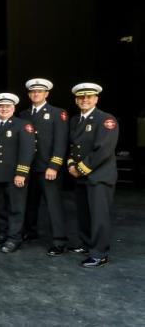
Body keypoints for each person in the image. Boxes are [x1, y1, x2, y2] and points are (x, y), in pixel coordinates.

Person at [67, 83, 118, 268]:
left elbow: (103, 150)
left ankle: (100, 253)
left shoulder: (106, 120)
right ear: (76, 100)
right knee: (84, 213)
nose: (85, 100)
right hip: (81, 176)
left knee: (99, 215)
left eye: (89, 97)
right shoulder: (75, 120)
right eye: (81, 97)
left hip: (99, 176)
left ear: (96, 99)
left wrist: (79, 168)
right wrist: (71, 163)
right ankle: (88, 244)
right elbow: (73, 146)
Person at [19, 79, 69, 256]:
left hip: (47, 168)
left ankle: (59, 240)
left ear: (46, 94)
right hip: (28, 168)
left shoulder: (57, 113)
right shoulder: (24, 115)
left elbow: (61, 142)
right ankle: (30, 232)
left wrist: (54, 165)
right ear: (29, 94)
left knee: (53, 205)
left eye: (39, 92)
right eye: (33, 92)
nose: (36, 94)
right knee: (30, 203)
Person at [0, 93, 35, 253]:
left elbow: (27, 151)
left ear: (13, 108)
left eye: (7, 106)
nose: (4, 109)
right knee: (0, 207)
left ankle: (14, 238)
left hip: (14, 175)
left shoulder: (23, 125)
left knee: (15, 208)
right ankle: (3, 233)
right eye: (0, 106)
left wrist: (21, 173)